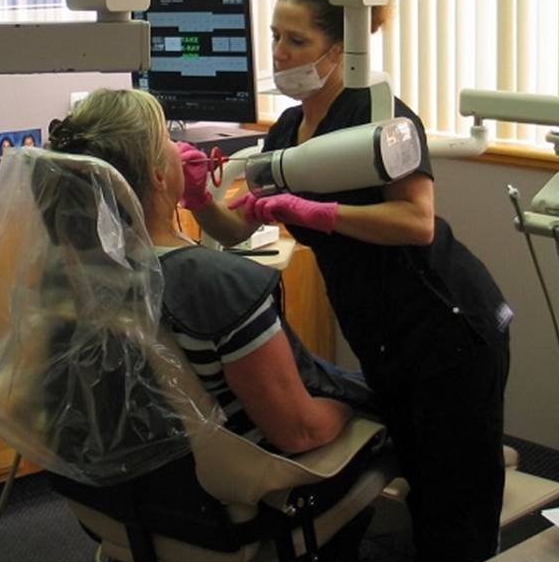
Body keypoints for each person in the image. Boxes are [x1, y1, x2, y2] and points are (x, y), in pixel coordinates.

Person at [188, 0, 514, 562]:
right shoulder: (287, 130)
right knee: (417, 479)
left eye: (297, 41)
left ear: (340, 50)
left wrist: (321, 212)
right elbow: (237, 229)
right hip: (384, 334)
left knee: (455, 511)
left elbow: (418, 222)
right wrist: (197, 196)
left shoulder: (384, 118)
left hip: (450, 329)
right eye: (275, 37)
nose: (280, 54)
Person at [44, 88, 356, 457]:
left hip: (132, 491)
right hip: (241, 487)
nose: (180, 147)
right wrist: (355, 408)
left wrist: (204, 201)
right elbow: (300, 432)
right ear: (158, 175)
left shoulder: (72, 272)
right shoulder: (219, 287)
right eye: (169, 139)